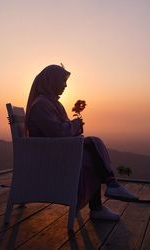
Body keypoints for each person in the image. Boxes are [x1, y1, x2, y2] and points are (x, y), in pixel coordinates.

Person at [25, 64, 138, 221]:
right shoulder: (41, 105)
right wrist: (76, 124)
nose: (65, 85)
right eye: (62, 81)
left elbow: (59, 132)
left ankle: (109, 189)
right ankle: (103, 198)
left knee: (93, 143)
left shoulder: (51, 103)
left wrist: (74, 126)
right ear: (51, 82)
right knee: (92, 151)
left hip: (54, 154)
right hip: (49, 160)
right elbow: (58, 133)